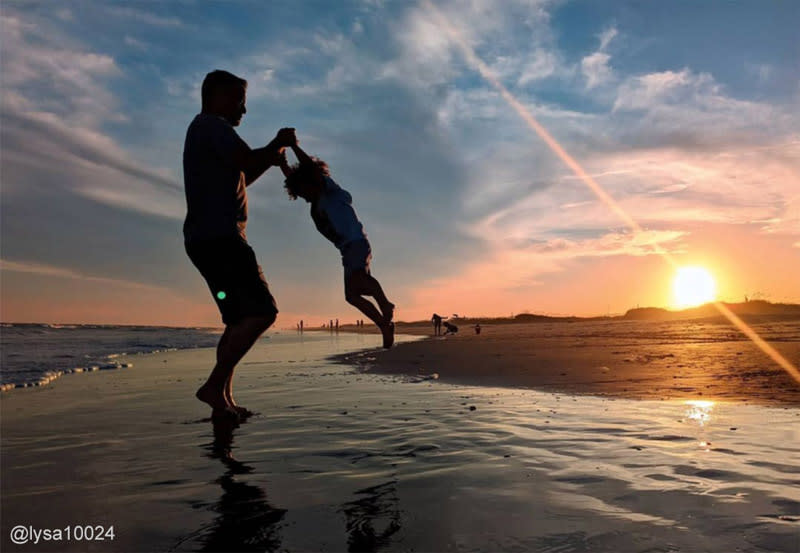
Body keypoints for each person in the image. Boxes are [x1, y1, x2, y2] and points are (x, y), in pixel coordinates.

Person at [183, 69, 296, 420]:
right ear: (218, 97)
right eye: (239, 101)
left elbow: (244, 173)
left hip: (205, 238)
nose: (243, 110)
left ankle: (223, 399)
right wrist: (278, 142)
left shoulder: (205, 132)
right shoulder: (213, 127)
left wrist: (272, 154)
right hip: (220, 238)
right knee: (263, 311)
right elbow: (248, 161)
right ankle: (214, 386)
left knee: (237, 319)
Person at [279, 141, 395, 348]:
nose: (303, 196)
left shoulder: (329, 191)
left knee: (360, 279)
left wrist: (294, 146)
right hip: (347, 248)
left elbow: (309, 169)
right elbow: (296, 180)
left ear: (312, 182)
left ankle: (384, 303)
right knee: (352, 295)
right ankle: (384, 325)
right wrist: (282, 164)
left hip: (356, 242)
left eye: (304, 190)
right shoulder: (315, 202)